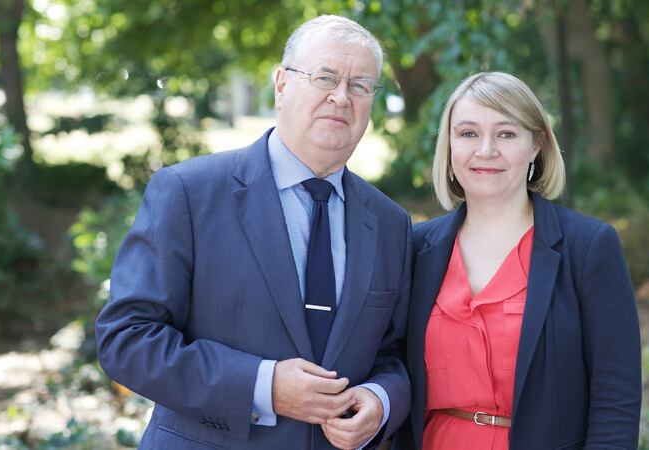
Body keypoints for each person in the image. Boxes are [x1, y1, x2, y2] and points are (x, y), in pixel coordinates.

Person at [96, 15, 412, 450]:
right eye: (325, 77)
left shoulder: (390, 223)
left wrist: (381, 400)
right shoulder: (190, 192)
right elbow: (127, 339)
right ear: (282, 85)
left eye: (360, 85)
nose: (341, 97)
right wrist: (262, 386)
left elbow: (395, 354)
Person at [393, 72, 641, 450]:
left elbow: (616, 398)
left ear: (536, 145)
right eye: (468, 133)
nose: (486, 150)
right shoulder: (414, 249)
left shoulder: (588, 248)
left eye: (506, 134)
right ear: (449, 145)